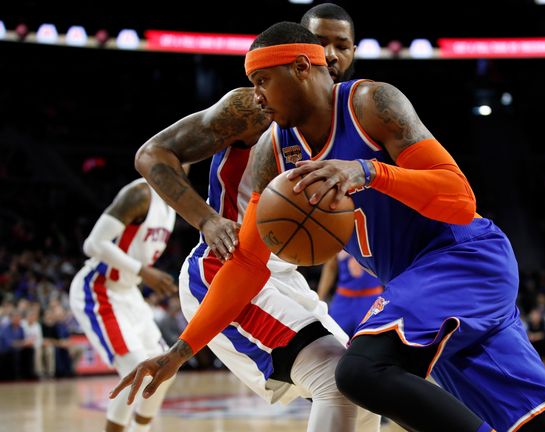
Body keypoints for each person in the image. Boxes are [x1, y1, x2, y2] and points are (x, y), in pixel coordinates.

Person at [116, 21, 545, 432]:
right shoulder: (271, 153)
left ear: (298, 68)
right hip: (419, 285)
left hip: (461, 258)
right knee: (534, 427)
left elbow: (460, 199)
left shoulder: (372, 103)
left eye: (261, 81)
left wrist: (368, 171)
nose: (254, 96)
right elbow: (248, 264)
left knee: (358, 372)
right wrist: (181, 350)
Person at [111, 5, 379, 432]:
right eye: (318, 42)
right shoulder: (255, 107)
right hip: (228, 264)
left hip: (283, 273)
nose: (328, 54)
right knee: (337, 378)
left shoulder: (352, 118)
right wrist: (207, 221)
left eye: (340, 45)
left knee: (364, 384)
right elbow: (152, 154)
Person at [69, 176, 180, 432]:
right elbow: (93, 244)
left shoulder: (172, 203)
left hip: (129, 293)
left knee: (164, 369)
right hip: (99, 289)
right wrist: (144, 271)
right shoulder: (140, 193)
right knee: (134, 371)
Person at [317, 251, 384, 337]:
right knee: (335, 340)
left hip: (372, 299)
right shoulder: (339, 239)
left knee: (371, 342)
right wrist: (319, 299)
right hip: (344, 300)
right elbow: (331, 267)